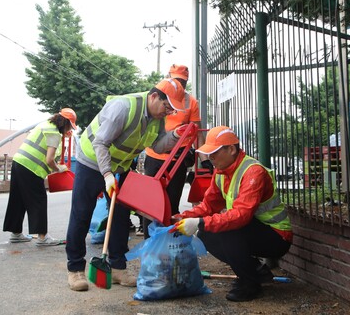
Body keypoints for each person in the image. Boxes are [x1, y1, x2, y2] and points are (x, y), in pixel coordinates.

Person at [65, 78, 192, 291]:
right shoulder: (124, 107)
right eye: (166, 106)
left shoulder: (156, 118)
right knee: (82, 214)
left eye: (172, 110)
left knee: (121, 217)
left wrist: (175, 135)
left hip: (120, 168)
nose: (168, 112)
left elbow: (158, 146)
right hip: (92, 161)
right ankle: (75, 269)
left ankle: (117, 267)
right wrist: (106, 176)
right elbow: (100, 143)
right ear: (153, 96)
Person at [171, 126, 293, 302]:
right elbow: (208, 206)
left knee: (225, 229)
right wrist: (184, 217)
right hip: (254, 229)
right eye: (209, 153)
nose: (210, 158)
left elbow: (241, 216)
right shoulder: (221, 172)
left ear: (232, 149)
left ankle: (250, 284)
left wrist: (200, 222)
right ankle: (256, 272)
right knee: (207, 233)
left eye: (214, 152)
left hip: (277, 236)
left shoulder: (253, 172)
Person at [140, 64, 209, 238]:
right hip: (154, 156)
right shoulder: (157, 97)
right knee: (150, 202)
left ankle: (170, 241)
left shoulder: (190, 102)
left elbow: (197, 131)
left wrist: (204, 158)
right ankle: (151, 242)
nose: (179, 84)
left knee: (171, 202)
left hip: (177, 159)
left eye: (183, 82)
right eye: (176, 80)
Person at [3, 108, 77, 246]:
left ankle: (16, 233)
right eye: (70, 126)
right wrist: (59, 169)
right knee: (38, 200)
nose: (69, 129)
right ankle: (43, 237)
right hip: (31, 168)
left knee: (17, 199)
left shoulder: (44, 125)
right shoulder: (54, 132)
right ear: (65, 123)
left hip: (19, 162)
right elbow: (49, 159)